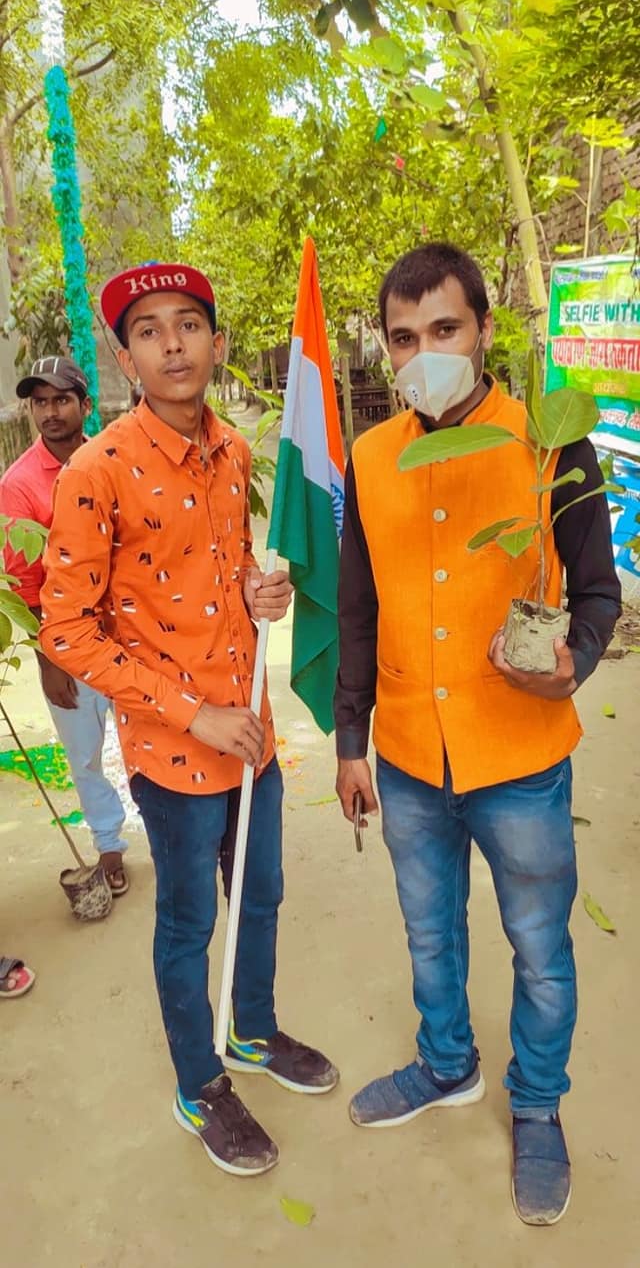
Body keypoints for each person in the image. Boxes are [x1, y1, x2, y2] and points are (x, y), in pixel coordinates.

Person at [334, 242, 621, 1226]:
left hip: (520, 756)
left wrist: (571, 658)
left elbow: (597, 592)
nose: (424, 354)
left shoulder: (546, 442)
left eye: (444, 330)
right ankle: (445, 1060)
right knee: (428, 931)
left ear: (484, 330)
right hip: (411, 754)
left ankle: (536, 1102)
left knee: (538, 948)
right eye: (403, 337)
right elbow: (359, 608)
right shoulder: (372, 456)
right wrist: (347, 738)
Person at [39, 262, 338, 1178]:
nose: (172, 342)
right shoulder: (97, 469)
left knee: (264, 892)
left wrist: (263, 591)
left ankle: (251, 1029)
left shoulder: (236, 450)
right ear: (128, 359)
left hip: (252, 732)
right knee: (187, 922)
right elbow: (67, 627)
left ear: (215, 341)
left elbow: (225, 577)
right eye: (149, 330)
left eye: (188, 324)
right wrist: (189, 714)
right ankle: (198, 1081)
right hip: (177, 753)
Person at [0, 357, 129, 895]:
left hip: (134, 635)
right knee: (84, 756)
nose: (50, 412)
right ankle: (108, 846)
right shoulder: (19, 484)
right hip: (68, 647)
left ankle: (176, 838)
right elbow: (24, 582)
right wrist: (47, 660)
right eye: (39, 402)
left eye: (61, 400)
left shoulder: (118, 458)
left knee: (152, 738)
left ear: (85, 405)